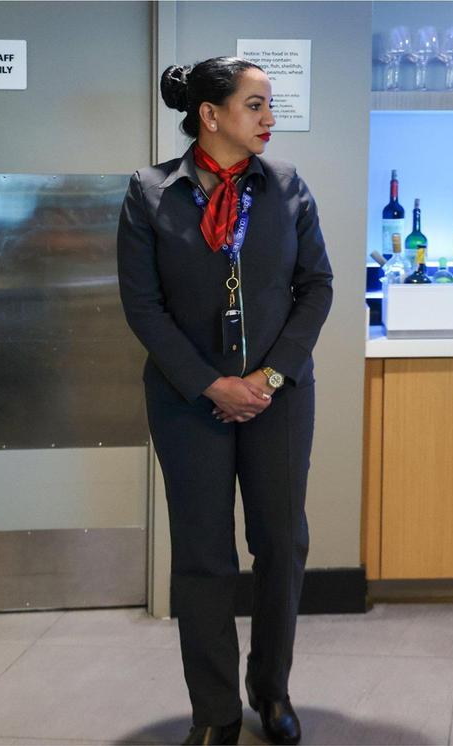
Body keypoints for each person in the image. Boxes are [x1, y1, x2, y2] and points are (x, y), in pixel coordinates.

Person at [117, 57, 332, 746]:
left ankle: (271, 691)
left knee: (280, 543)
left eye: (270, 106)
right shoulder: (150, 193)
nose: (270, 119)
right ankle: (213, 710)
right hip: (187, 400)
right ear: (210, 115)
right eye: (256, 105)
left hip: (280, 397)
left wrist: (268, 379)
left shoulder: (287, 187)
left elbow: (317, 287)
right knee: (204, 555)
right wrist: (210, 383)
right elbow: (143, 307)